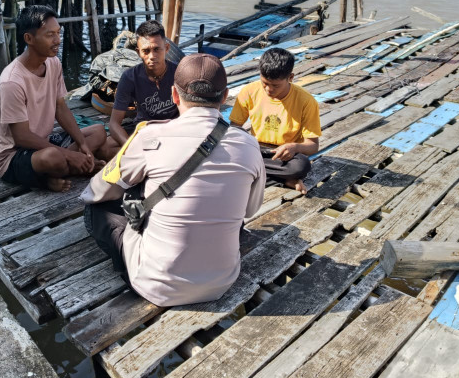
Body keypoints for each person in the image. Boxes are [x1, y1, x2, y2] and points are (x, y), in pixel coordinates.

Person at [81, 53, 266, 307]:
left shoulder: (151, 136)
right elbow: (250, 210)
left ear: (175, 95)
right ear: (224, 98)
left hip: (156, 286)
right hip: (222, 281)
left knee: (96, 209)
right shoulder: (248, 145)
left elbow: (97, 191)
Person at [0, 5, 119, 192]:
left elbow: (60, 107)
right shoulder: (11, 82)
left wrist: (83, 146)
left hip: (45, 141)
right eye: (49, 35)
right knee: (53, 157)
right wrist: (70, 156)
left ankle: (62, 170)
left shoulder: (53, 63)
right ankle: (51, 177)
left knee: (98, 132)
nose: (58, 40)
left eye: (58, 33)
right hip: (15, 155)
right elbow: (21, 137)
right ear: (29, 38)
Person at [229, 47, 321, 195]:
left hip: (285, 156)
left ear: (290, 78)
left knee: (301, 166)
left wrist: (294, 147)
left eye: (275, 85)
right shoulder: (249, 91)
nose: (268, 90)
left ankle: (252, 172)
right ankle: (284, 180)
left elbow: (313, 146)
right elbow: (234, 128)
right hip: (256, 148)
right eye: (264, 83)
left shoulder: (306, 101)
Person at [108, 20, 179, 147]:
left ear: (167, 48)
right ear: (138, 52)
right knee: (106, 146)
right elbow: (114, 124)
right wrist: (129, 148)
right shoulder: (129, 77)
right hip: (144, 131)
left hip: (173, 131)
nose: (152, 56)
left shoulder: (179, 73)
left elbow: (190, 115)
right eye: (146, 51)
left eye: (157, 49)